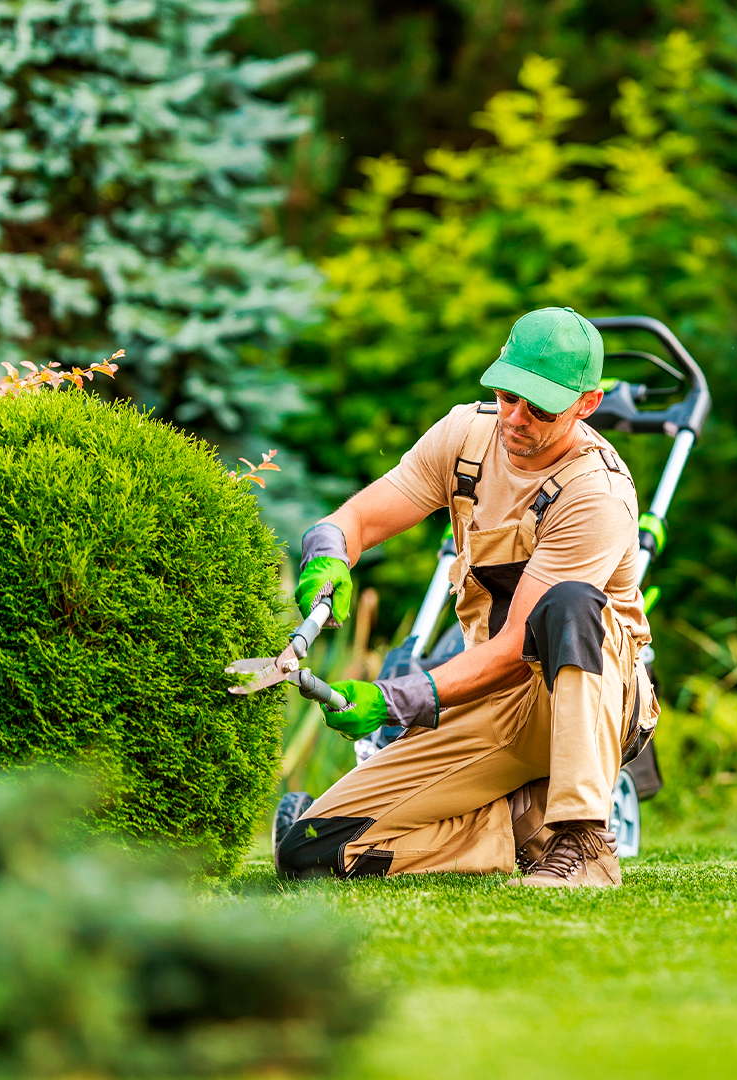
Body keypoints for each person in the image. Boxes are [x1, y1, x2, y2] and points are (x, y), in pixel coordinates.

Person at [272, 307, 655, 888]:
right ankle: (518, 823)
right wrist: (327, 552)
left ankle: (584, 841)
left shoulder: (596, 493)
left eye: (541, 406)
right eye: (507, 395)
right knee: (308, 852)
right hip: (487, 701)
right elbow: (360, 518)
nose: (517, 418)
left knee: (570, 603)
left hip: (583, 699)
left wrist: (393, 699)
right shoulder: (465, 436)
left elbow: (512, 649)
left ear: (588, 404)